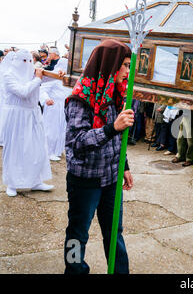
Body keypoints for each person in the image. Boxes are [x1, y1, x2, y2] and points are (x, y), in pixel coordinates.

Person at [64, 39, 134, 274]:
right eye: (124, 65)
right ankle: (74, 271)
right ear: (109, 65)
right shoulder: (80, 99)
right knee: (77, 234)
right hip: (84, 179)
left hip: (111, 179)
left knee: (115, 232)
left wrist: (123, 164)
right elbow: (76, 141)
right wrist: (111, 128)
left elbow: (117, 138)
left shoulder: (116, 94)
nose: (127, 71)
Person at [2, 49, 53, 197]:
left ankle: (36, 181)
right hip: (16, 116)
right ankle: (11, 183)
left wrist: (58, 74)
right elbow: (23, 91)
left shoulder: (33, 73)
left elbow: (46, 80)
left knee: (36, 148)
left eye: (29, 60)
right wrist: (37, 78)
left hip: (32, 114)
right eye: (24, 61)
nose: (27, 64)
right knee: (15, 150)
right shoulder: (8, 75)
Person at [40, 56, 72, 161]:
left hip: (64, 107)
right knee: (51, 129)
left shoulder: (68, 78)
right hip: (54, 106)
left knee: (61, 130)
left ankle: (56, 151)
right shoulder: (54, 76)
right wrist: (46, 99)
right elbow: (42, 89)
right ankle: (47, 151)